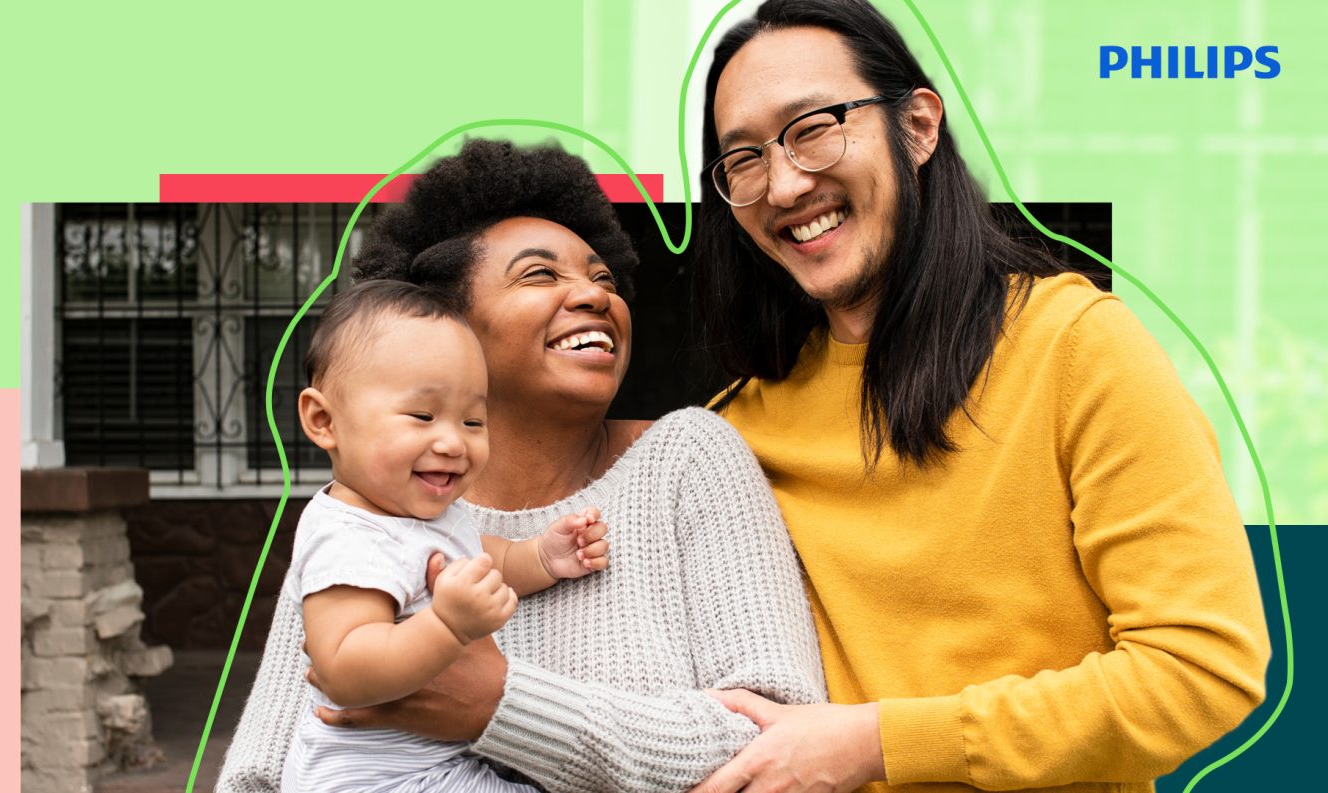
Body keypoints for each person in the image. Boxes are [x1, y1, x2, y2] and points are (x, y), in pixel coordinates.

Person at [689, 1, 1271, 792]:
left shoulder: (1075, 347)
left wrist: (876, 744)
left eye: (814, 127)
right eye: (744, 158)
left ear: (918, 127)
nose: (785, 183)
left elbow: (1203, 668)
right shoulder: (730, 434)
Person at [216, 139, 827, 793]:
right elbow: (260, 772)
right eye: (540, 275)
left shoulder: (689, 459)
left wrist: (500, 705)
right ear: (445, 326)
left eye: (604, 279)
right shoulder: (369, 510)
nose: (593, 295)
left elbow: (781, 741)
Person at [282, 279, 610, 792]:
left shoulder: (424, 513)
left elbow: (484, 561)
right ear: (324, 421)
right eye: (422, 416)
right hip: (376, 781)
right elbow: (341, 670)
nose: (453, 443)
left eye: (473, 421)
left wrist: (542, 558)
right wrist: (448, 626)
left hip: (439, 769)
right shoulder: (347, 535)